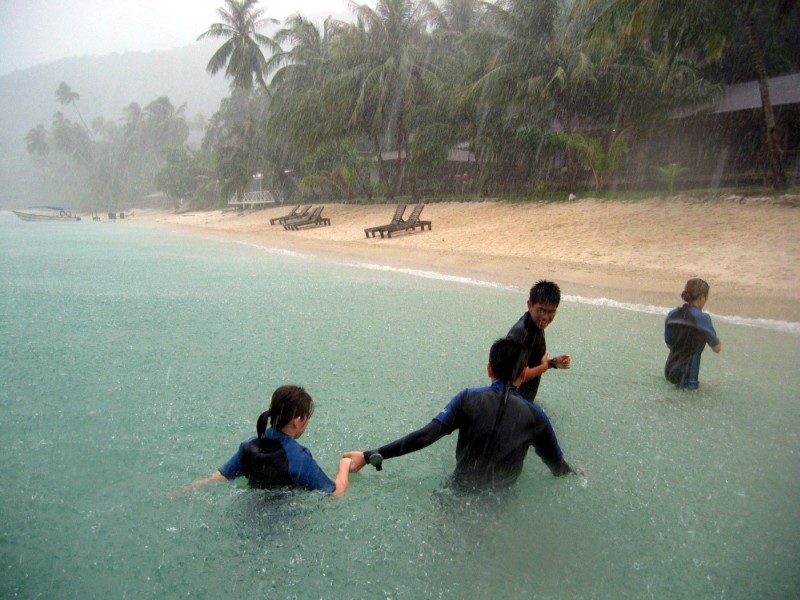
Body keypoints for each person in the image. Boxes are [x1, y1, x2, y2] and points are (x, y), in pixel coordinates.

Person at [343, 338, 573, 490]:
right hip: (499, 507)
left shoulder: (468, 399)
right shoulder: (536, 417)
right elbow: (560, 469)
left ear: (489, 369)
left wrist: (372, 455)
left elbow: (425, 436)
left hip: (456, 495)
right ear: (524, 374)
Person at [192, 385, 351, 495]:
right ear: (297, 421)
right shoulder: (298, 458)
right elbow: (335, 493)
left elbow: (217, 478)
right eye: (307, 417)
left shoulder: (249, 446)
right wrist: (344, 466)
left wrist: (187, 490)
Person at [506, 280, 571, 403]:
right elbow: (514, 376)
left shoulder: (536, 326)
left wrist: (552, 363)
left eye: (551, 312)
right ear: (529, 305)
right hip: (512, 405)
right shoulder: (521, 334)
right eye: (541, 310)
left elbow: (529, 365)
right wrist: (544, 366)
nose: (545, 317)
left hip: (521, 403)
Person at [664, 278, 722, 391]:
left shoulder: (672, 314)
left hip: (669, 370)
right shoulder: (703, 318)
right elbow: (717, 348)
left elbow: (669, 344)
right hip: (688, 376)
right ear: (702, 298)